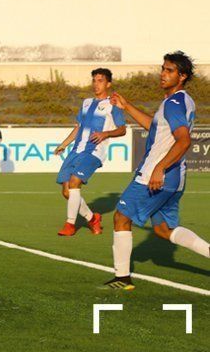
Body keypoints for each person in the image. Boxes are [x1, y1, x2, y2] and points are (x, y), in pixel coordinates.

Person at [105, 51, 209, 290]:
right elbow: (155, 129)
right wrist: (127, 106)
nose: (163, 74)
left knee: (121, 217)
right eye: (163, 68)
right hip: (175, 179)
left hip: (155, 175)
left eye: (170, 70)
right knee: (164, 229)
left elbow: (183, 141)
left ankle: (122, 279)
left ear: (182, 76)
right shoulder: (182, 101)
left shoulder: (173, 103)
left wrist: (159, 169)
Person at [52, 68, 126, 236]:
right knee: (67, 192)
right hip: (76, 150)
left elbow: (122, 130)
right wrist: (64, 144)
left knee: (74, 183)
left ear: (108, 83)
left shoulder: (112, 105)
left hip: (94, 151)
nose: (96, 84)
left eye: (100, 81)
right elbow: (78, 128)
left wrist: (105, 134)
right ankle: (92, 218)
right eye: (94, 80)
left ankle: (70, 225)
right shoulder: (86, 102)